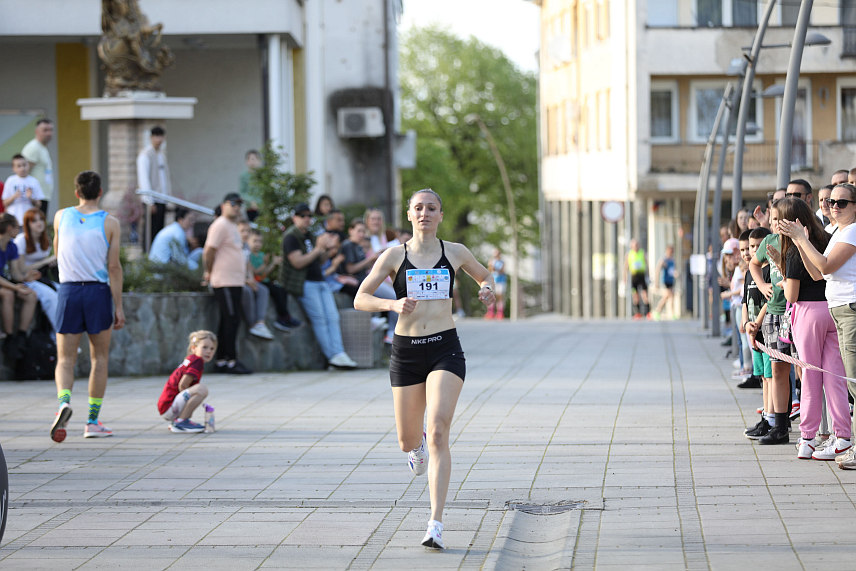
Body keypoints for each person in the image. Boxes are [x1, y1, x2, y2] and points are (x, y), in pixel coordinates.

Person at [354, 188, 496, 549]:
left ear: (440, 215)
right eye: (418, 208)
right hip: (406, 351)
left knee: (438, 431)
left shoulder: (456, 252)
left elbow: (484, 276)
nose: (425, 213)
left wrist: (487, 290)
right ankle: (413, 447)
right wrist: (393, 304)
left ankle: (435, 522)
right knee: (409, 439)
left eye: (432, 208)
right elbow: (360, 298)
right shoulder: (393, 255)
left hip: (445, 349)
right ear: (408, 214)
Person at [778, 183, 856, 468]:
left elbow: (817, 272)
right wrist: (801, 242)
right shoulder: (831, 234)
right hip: (832, 309)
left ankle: (808, 436)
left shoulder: (847, 232)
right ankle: (842, 436)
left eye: (841, 202)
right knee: (834, 374)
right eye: (832, 201)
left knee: (813, 375)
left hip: (825, 311)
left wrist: (798, 243)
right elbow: (818, 274)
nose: (833, 206)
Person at [49, 171, 125, 442]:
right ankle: (92, 421)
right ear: (100, 192)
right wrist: (118, 306)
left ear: (76, 192)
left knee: (65, 359)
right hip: (96, 292)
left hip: (69, 291)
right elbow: (114, 268)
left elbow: (57, 253)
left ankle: (63, 403)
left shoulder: (60, 216)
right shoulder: (110, 222)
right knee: (99, 359)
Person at [281, 202, 358, 369]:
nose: (307, 219)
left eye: (309, 215)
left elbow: (319, 260)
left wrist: (327, 252)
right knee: (320, 320)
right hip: (305, 283)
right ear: (295, 218)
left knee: (333, 317)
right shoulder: (291, 237)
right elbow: (297, 262)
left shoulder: (309, 235)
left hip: (320, 281)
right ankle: (332, 357)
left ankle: (339, 353)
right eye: (303, 216)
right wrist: (318, 249)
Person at [748, 199, 791, 445]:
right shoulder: (768, 241)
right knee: (776, 369)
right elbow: (754, 263)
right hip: (773, 312)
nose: (775, 224)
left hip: (793, 310)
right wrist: (763, 284)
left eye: (779, 220)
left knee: (798, 368)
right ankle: (779, 425)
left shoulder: (796, 242)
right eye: (772, 220)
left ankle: (806, 423)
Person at [202, 193, 252, 374]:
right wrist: (208, 271)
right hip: (224, 281)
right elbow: (209, 251)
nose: (237, 207)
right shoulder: (220, 225)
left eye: (239, 204)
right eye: (233, 203)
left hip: (235, 281)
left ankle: (222, 360)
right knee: (231, 319)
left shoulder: (233, 226)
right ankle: (231, 360)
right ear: (224, 205)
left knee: (228, 320)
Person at [341, 218, 397, 340]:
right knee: (394, 298)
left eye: (363, 231)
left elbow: (364, 266)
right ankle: (391, 332)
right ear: (350, 230)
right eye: (358, 231)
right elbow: (351, 269)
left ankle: (384, 325)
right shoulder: (348, 245)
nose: (361, 234)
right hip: (359, 283)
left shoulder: (358, 246)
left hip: (366, 279)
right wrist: (370, 259)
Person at [157, 330, 216, 433]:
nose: (209, 351)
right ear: (194, 348)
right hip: (169, 406)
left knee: (198, 390)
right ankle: (181, 422)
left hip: (166, 406)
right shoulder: (197, 361)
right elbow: (183, 384)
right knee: (201, 389)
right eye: (205, 347)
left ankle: (179, 421)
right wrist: (190, 401)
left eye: (212, 348)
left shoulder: (191, 359)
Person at [14, 208, 58, 335]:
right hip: (26, 279)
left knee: (63, 292)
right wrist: (45, 262)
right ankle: (60, 335)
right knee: (51, 297)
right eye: (34, 221)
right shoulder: (21, 240)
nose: (39, 223)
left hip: (42, 278)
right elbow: (21, 269)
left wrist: (50, 263)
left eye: (41, 220)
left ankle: (57, 336)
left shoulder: (45, 239)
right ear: (27, 224)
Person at [0, 213, 39, 358]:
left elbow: (15, 273)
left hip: (5, 283)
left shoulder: (11, 246)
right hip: (4, 285)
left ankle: (21, 335)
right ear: (9, 227)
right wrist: (14, 287)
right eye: (17, 227)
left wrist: (25, 278)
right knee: (8, 294)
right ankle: (9, 337)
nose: (19, 230)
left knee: (30, 295)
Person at [247, 228, 301, 332]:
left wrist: (273, 264)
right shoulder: (249, 255)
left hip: (264, 281)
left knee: (282, 290)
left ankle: (285, 316)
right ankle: (283, 317)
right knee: (276, 290)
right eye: (255, 241)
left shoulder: (262, 255)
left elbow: (264, 273)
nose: (258, 244)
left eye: (260, 241)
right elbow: (256, 272)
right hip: (256, 282)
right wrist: (265, 264)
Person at [238, 222, 273, 340]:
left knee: (263, 290)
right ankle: (252, 324)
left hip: (245, 279)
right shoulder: (233, 245)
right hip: (234, 280)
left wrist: (251, 279)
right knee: (247, 292)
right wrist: (246, 281)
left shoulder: (246, 247)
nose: (245, 234)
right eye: (242, 231)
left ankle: (260, 323)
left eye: (247, 231)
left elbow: (247, 266)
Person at [136, 126, 171, 244]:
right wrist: (149, 201)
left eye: (161, 136)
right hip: (152, 200)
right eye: (156, 136)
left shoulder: (161, 155)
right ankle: (148, 255)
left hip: (162, 199)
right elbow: (144, 179)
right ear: (151, 138)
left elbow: (164, 178)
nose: (159, 139)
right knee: (150, 230)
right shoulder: (145, 155)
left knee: (159, 230)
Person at [21, 118, 54, 216]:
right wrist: (31, 197)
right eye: (45, 130)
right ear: (36, 131)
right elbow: (24, 173)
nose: (48, 133)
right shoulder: (33, 147)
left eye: (51, 130)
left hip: (43, 195)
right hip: (35, 198)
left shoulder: (42, 147)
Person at [3, 154, 44, 227]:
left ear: (28, 165)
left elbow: (39, 204)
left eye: (24, 165)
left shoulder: (34, 181)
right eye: (19, 166)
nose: (22, 168)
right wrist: (14, 196)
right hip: (14, 221)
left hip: (29, 220)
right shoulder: (10, 181)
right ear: (13, 168)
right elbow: (5, 203)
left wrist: (31, 198)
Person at [625, 238, 650, 319]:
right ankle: (638, 313)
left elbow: (647, 264)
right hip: (634, 276)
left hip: (641, 275)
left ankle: (648, 312)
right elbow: (626, 267)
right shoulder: (629, 254)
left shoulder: (642, 253)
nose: (636, 246)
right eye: (634, 245)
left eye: (637, 245)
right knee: (635, 296)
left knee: (644, 294)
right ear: (631, 246)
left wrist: (648, 275)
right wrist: (624, 279)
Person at [653, 245, 676, 320]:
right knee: (668, 296)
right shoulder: (663, 260)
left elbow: (672, 271)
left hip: (671, 281)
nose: (671, 252)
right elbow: (657, 270)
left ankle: (667, 312)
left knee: (669, 297)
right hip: (665, 281)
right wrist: (656, 282)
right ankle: (658, 311)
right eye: (670, 251)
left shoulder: (672, 260)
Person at [239, 149, 262, 222]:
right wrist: (251, 201)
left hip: (263, 208)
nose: (253, 162)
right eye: (251, 159)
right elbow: (242, 193)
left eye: (255, 159)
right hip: (250, 208)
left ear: (259, 161)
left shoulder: (264, 175)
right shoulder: (244, 176)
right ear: (247, 162)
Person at [485, 248, 508, 319]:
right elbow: (489, 270)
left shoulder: (502, 262)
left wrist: (495, 267)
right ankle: (490, 312)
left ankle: (500, 313)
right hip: (493, 281)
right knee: (491, 296)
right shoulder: (491, 261)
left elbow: (502, 271)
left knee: (500, 297)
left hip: (501, 281)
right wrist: (491, 266)